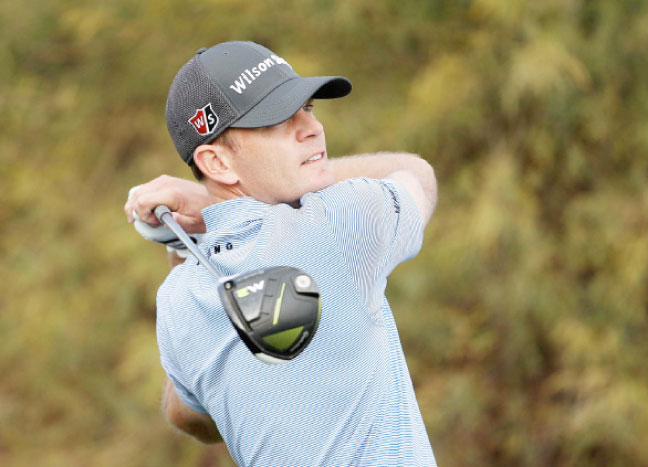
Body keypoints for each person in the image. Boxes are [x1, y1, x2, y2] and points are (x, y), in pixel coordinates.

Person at [124, 41, 438, 466]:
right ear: (216, 163)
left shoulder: (178, 302)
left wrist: (187, 235)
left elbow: (187, 415)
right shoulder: (340, 221)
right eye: (276, 120)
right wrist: (205, 201)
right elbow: (417, 174)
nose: (312, 128)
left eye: (307, 107)